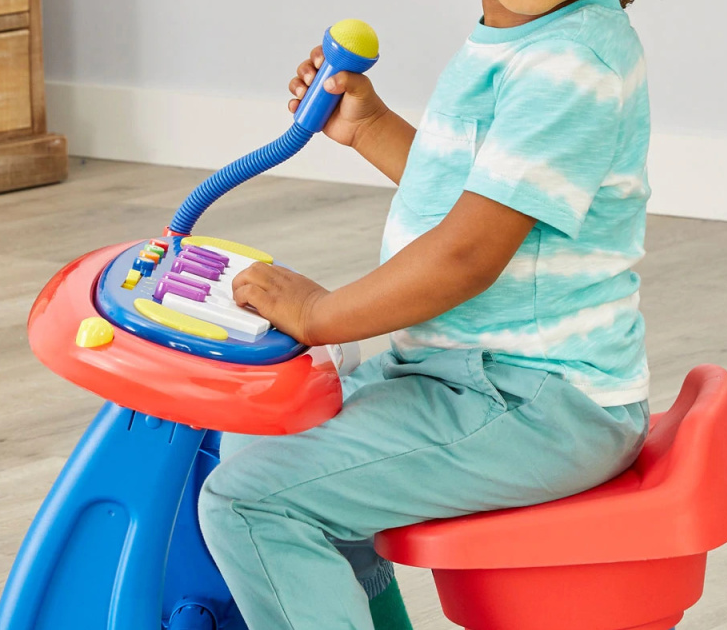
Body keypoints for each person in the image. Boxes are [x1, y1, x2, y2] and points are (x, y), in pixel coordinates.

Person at [200, 0, 651, 627]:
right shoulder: (516, 37)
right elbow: (474, 192)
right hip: (469, 377)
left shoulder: (570, 61)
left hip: (535, 401)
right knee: (269, 438)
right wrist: (371, 126)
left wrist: (318, 314)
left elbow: (468, 253)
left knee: (251, 502)